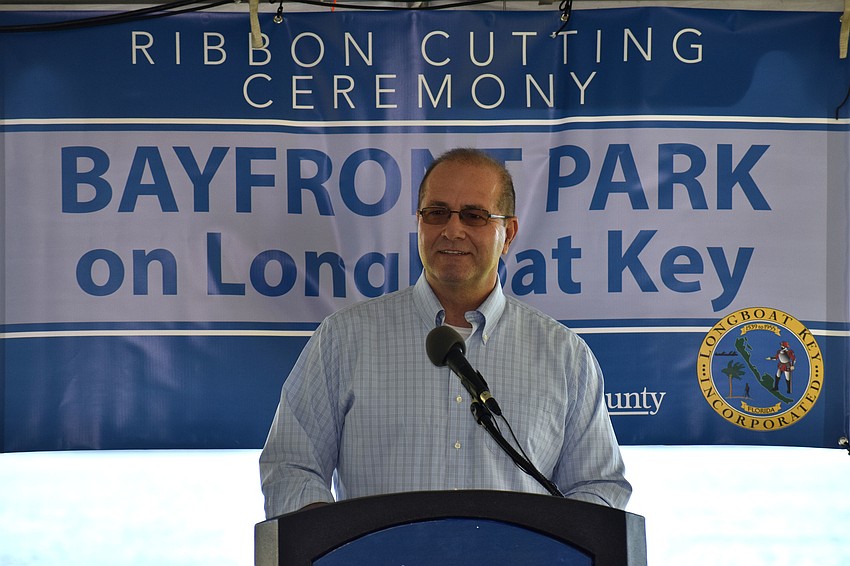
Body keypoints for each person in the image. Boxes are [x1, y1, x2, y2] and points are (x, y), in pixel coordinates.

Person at [259, 148, 631, 518]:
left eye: (474, 215)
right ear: (419, 222)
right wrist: (333, 542)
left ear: (509, 233)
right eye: (437, 213)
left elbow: (598, 486)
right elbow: (292, 467)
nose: (453, 230)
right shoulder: (344, 339)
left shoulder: (565, 355)